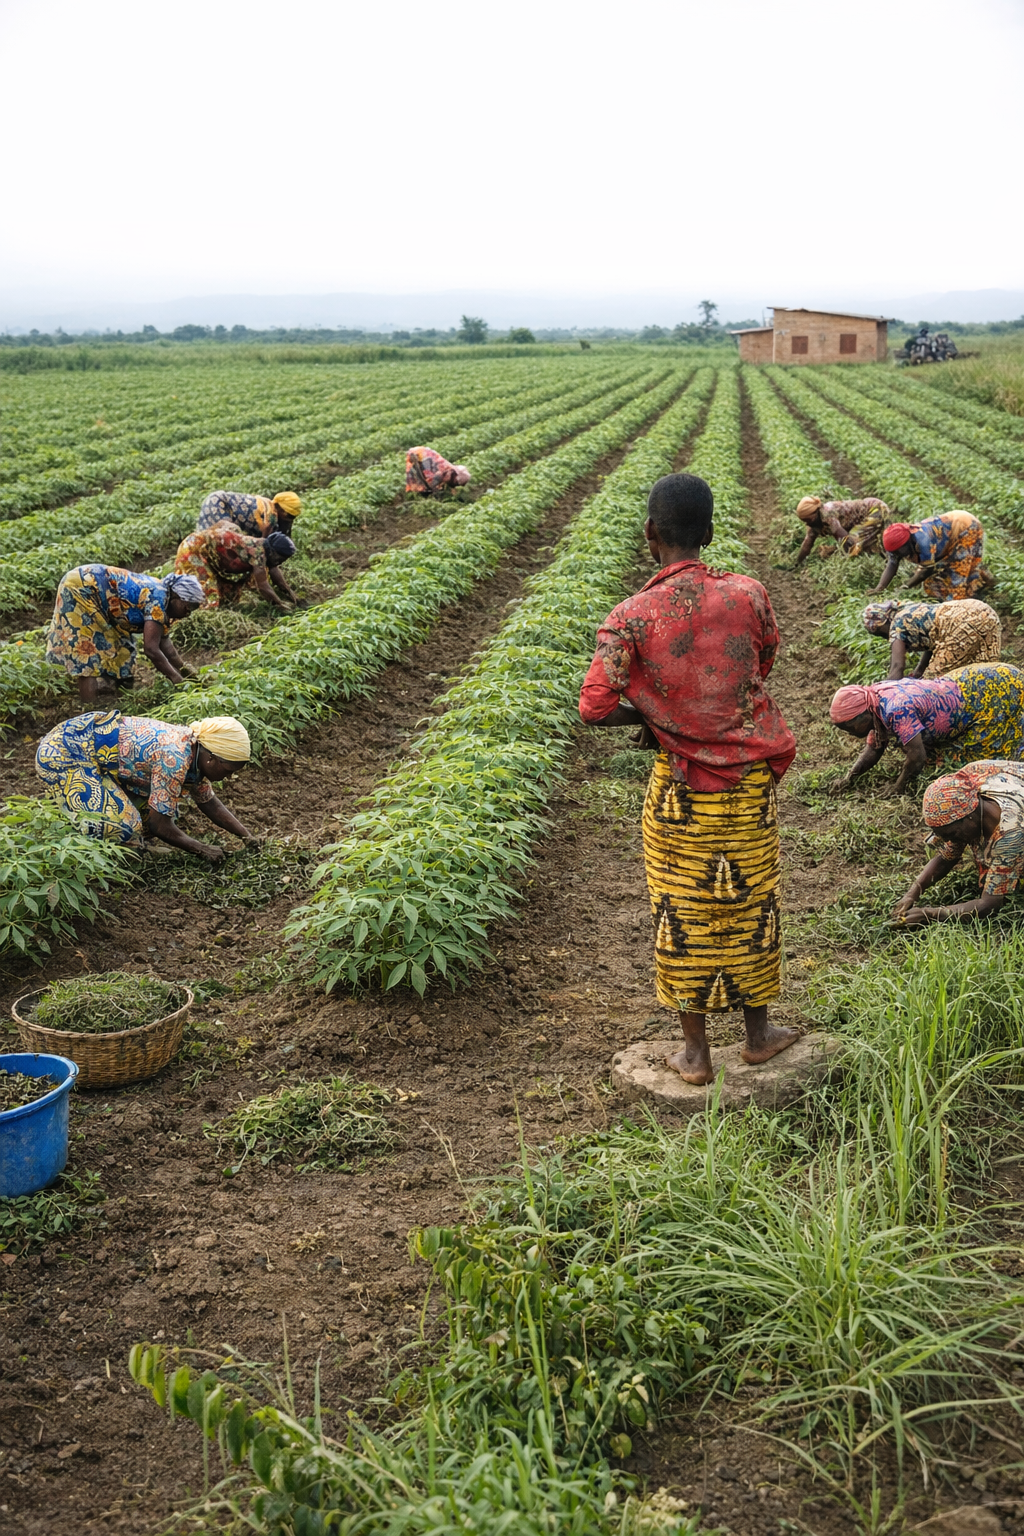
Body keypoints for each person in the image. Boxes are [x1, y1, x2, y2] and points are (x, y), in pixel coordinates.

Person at [579, 471, 800, 1086]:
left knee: (683, 909)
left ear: (650, 533)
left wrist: (658, 714)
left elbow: (594, 706)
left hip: (679, 790)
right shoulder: (748, 594)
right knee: (754, 900)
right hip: (748, 785)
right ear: (708, 531)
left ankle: (696, 1055)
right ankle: (759, 1035)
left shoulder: (631, 616)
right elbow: (764, 660)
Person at [35, 711, 255, 863]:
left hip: (97, 760)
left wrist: (247, 837)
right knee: (125, 827)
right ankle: (86, 851)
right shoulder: (176, 757)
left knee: (160, 811)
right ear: (211, 759)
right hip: (66, 753)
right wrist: (202, 849)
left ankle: (124, 841)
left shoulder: (196, 753)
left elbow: (209, 802)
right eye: (229, 769)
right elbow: (160, 825)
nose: (230, 776)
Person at [828, 662, 1024, 795]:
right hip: (964, 684)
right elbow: (874, 747)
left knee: (980, 766)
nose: (850, 733)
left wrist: (898, 787)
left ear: (864, 713)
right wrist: (849, 778)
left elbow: (917, 757)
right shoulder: (874, 698)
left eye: (849, 726)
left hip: (989, 690)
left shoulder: (896, 709)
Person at [46, 566, 203, 704]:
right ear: (177, 597)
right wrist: (177, 679)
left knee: (124, 649)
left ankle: (123, 703)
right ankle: (90, 713)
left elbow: (166, 647)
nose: (188, 613)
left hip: (106, 602)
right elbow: (151, 649)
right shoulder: (158, 599)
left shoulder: (164, 602)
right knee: (87, 651)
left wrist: (189, 675)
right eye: (189, 606)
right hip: (82, 588)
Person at [894, 761, 1024, 927]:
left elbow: (989, 904)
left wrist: (931, 914)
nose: (949, 841)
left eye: (951, 834)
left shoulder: (1010, 834)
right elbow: (946, 856)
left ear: (968, 817)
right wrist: (913, 892)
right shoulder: (967, 782)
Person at [862, 598, 1001, 679]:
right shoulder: (909, 609)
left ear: (881, 624)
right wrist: (919, 671)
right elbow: (934, 640)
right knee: (986, 671)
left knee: (935, 683)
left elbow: (897, 667)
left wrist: (880, 693)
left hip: (961, 623)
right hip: (984, 612)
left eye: (880, 633)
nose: (885, 638)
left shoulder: (896, 626)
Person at [868, 512, 989, 601]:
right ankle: (979, 581)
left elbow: (924, 572)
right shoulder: (895, 545)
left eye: (901, 551)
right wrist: (879, 588)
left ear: (909, 541)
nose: (899, 555)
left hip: (966, 527)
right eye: (895, 552)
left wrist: (904, 587)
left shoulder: (924, 542)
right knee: (931, 586)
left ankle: (969, 604)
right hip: (950, 535)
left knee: (957, 579)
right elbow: (892, 564)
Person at [174, 523, 297, 611]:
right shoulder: (258, 553)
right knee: (209, 593)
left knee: (229, 597)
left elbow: (274, 571)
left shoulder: (264, 549)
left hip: (211, 558)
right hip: (193, 549)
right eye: (281, 559)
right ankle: (198, 619)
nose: (280, 562)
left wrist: (291, 594)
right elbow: (263, 586)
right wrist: (280, 605)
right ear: (273, 552)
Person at [793, 496, 889, 564]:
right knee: (864, 544)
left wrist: (838, 557)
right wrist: (797, 563)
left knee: (855, 544)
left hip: (875, 509)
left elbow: (846, 541)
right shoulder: (814, 522)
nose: (807, 523)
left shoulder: (827, 515)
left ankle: (885, 561)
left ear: (815, 512)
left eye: (809, 520)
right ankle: (884, 560)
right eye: (804, 521)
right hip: (869, 511)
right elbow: (807, 543)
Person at [198, 490, 301, 538]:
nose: (290, 520)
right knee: (223, 539)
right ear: (280, 508)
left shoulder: (268, 506)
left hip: (216, 498)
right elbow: (261, 547)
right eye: (289, 516)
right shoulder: (270, 518)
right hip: (219, 504)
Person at [404, 447, 471, 497]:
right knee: (421, 480)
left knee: (425, 480)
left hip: (423, 454)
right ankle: (422, 494)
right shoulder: (440, 472)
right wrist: (434, 492)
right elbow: (433, 482)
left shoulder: (449, 470)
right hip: (419, 454)